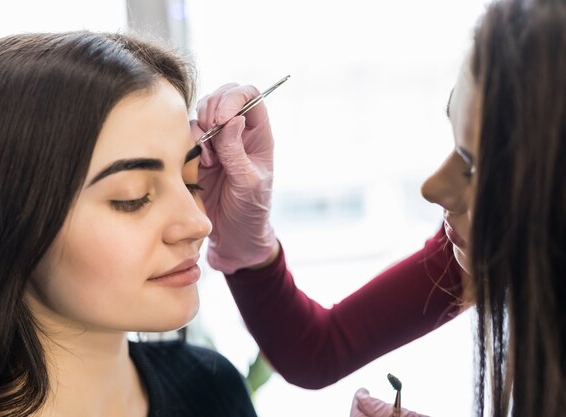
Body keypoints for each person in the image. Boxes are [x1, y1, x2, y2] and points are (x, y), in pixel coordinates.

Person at [194, 0, 565, 415]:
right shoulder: (483, 249)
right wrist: (247, 242)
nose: (433, 188)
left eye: (474, 166)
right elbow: (318, 350)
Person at [0, 32, 257, 417]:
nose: (197, 222)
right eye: (132, 197)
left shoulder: (211, 388)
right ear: (8, 219)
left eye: (191, 180)